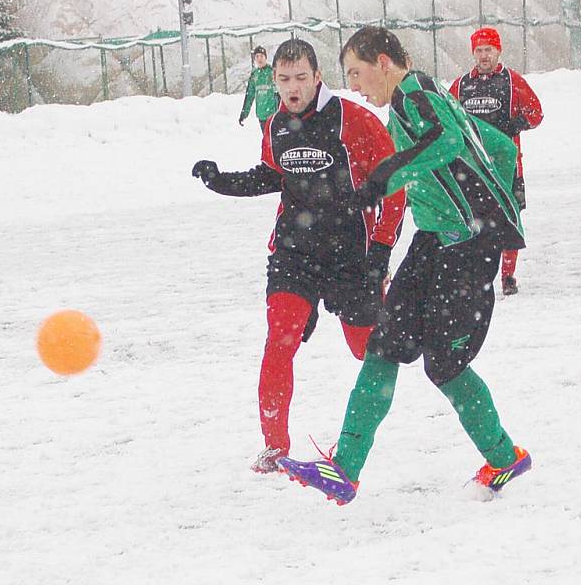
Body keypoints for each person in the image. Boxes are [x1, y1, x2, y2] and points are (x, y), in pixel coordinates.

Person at [277, 26, 531, 505]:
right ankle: (344, 469)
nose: (353, 84)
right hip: (433, 243)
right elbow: (496, 145)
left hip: (467, 248)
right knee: (385, 346)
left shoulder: (417, 95)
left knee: (444, 364)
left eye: (356, 71)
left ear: (383, 64)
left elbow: (450, 140)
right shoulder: (409, 106)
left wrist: (394, 176)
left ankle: (504, 457)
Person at [192, 38, 406, 474]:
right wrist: (222, 181)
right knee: (279, 341)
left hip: (351, 255)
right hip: (296, 252)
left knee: (370, 351)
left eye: (301, 79)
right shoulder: (274, 125)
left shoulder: (353, 119)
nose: (292, 88)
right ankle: (275, 446)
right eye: (284, 79)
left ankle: (366, 430)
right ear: (274, 81)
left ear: (318, 77)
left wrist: (381, 250)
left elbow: (396, 184)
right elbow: (273, 174)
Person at [449, 27, 544, 296]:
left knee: (508, 220)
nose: (483, 56)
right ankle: (474, 274)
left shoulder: (513, 81)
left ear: (498, 51)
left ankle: (508, 276)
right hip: (472, 168)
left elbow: (536, 113)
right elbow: (445, 117)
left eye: (488, 50)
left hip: (507, 168)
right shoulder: (461, 84)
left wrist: (515, 124)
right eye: (479, 50)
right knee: (471, 221)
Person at [238, 45, 280, 132]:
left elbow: (280, 91)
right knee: (266, 140)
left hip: (273, 114)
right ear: (254, 59)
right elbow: (249, 95)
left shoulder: (272, 72)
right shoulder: (255, 75)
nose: (259, 58)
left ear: (266, 57)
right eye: (257, 56)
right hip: (261, 114)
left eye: (261, 56)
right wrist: (244, 113)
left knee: (274, 140)